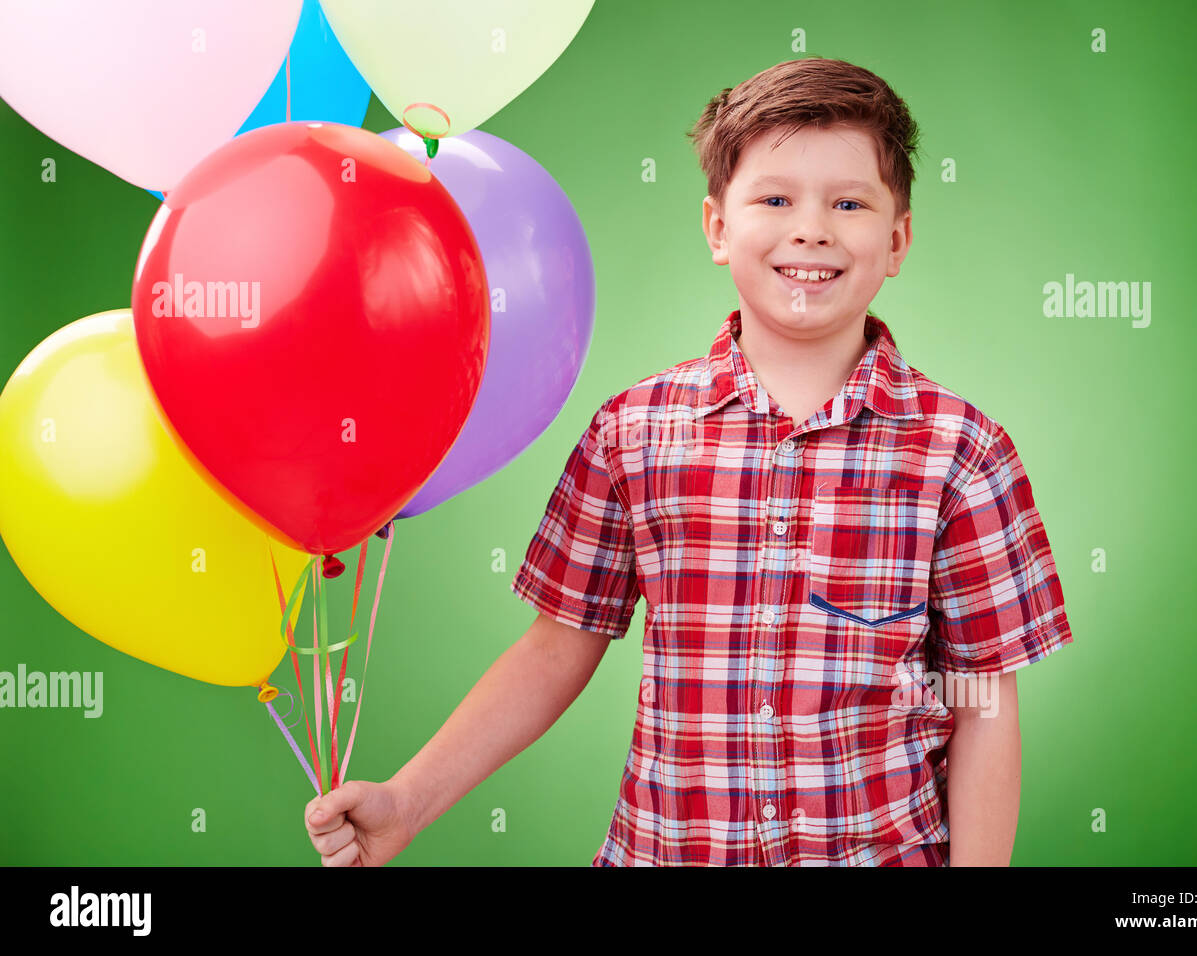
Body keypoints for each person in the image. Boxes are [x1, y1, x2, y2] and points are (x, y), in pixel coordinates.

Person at [305, 55, 1074, 867]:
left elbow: (983, 701)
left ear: (897, 239)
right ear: (717, 228)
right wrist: (407, 802)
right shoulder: (631, 432)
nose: (810, 228)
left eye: (848, 203)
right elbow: (557, 647)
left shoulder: (961, 451)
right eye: (774, 199)